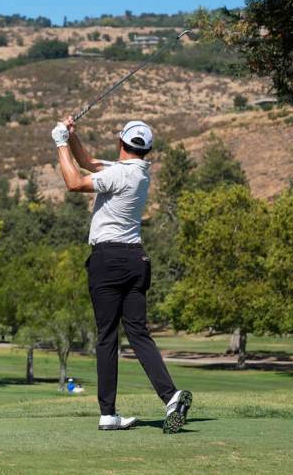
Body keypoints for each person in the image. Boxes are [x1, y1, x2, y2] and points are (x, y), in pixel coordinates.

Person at [53, 117, 192, 433]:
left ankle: (107, 413)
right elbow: (87, 162)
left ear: (120, 142)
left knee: (106, 335)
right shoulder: (139, 171)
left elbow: (75, 182)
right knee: (139, 332)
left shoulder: (118, 174)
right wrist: (72, 137)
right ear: (147, 149)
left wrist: (59, 140)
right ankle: (170, 397)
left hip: (108, 260)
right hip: (136, 259)